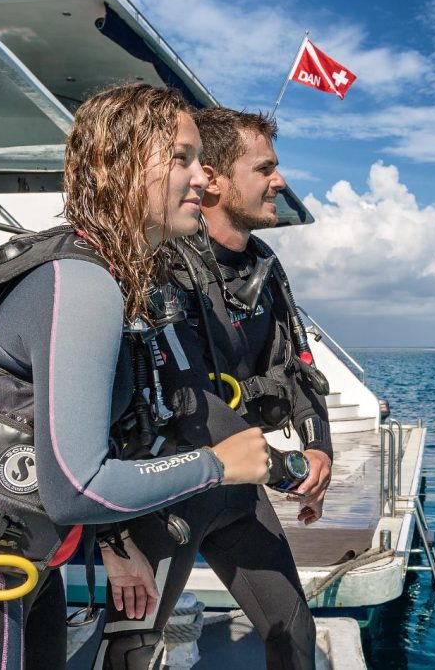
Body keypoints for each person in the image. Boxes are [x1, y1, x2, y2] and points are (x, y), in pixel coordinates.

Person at [0, 84, 271, 670]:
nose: (203, 179)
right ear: (124, 164)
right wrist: (219, 466)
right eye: (181, 158)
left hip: (21, 566)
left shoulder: (99, 273)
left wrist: (119, 544)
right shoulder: (82, 285)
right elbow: (79, 488)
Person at [96, 108, 333, 670]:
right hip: (167, 491)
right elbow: (185, 399)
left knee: (293, 629)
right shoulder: (164, 264)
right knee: (133, 647)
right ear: (218, 180)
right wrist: (285, 470)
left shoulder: (264, 268)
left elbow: (298, 365)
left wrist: (319, 447)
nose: (280, 182)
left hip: (238, 483)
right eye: (266, 168)